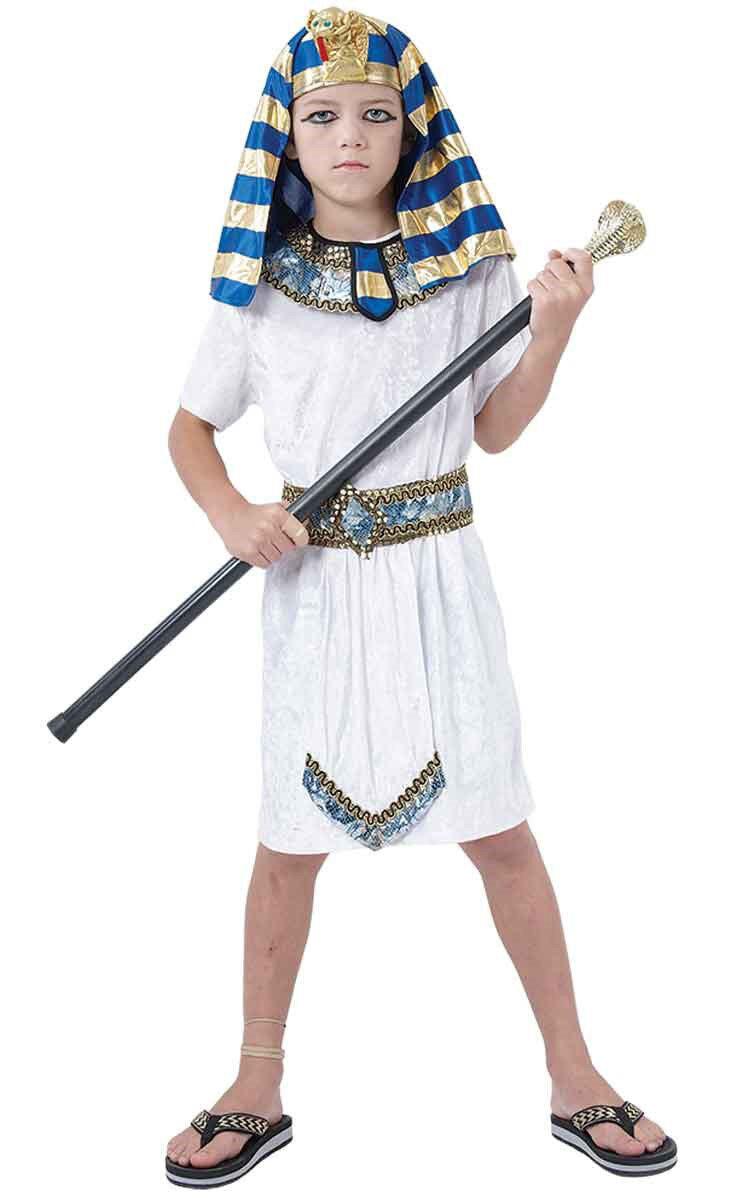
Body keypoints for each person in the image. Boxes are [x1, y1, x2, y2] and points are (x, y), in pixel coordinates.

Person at [165, 7, 675, 1186]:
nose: (350, 135)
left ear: (412, 130)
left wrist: (554, 332)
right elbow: (189, 429)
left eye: (375, 114)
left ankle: (574, 1072)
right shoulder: (259, 286)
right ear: (286, 137)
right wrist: (232, 513)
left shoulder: (468, 268)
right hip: (314, 589)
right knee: (287, 843)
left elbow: (492, 430)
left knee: (500, 828)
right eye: (323, 115)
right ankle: (255, 1077)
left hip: (444, 580)